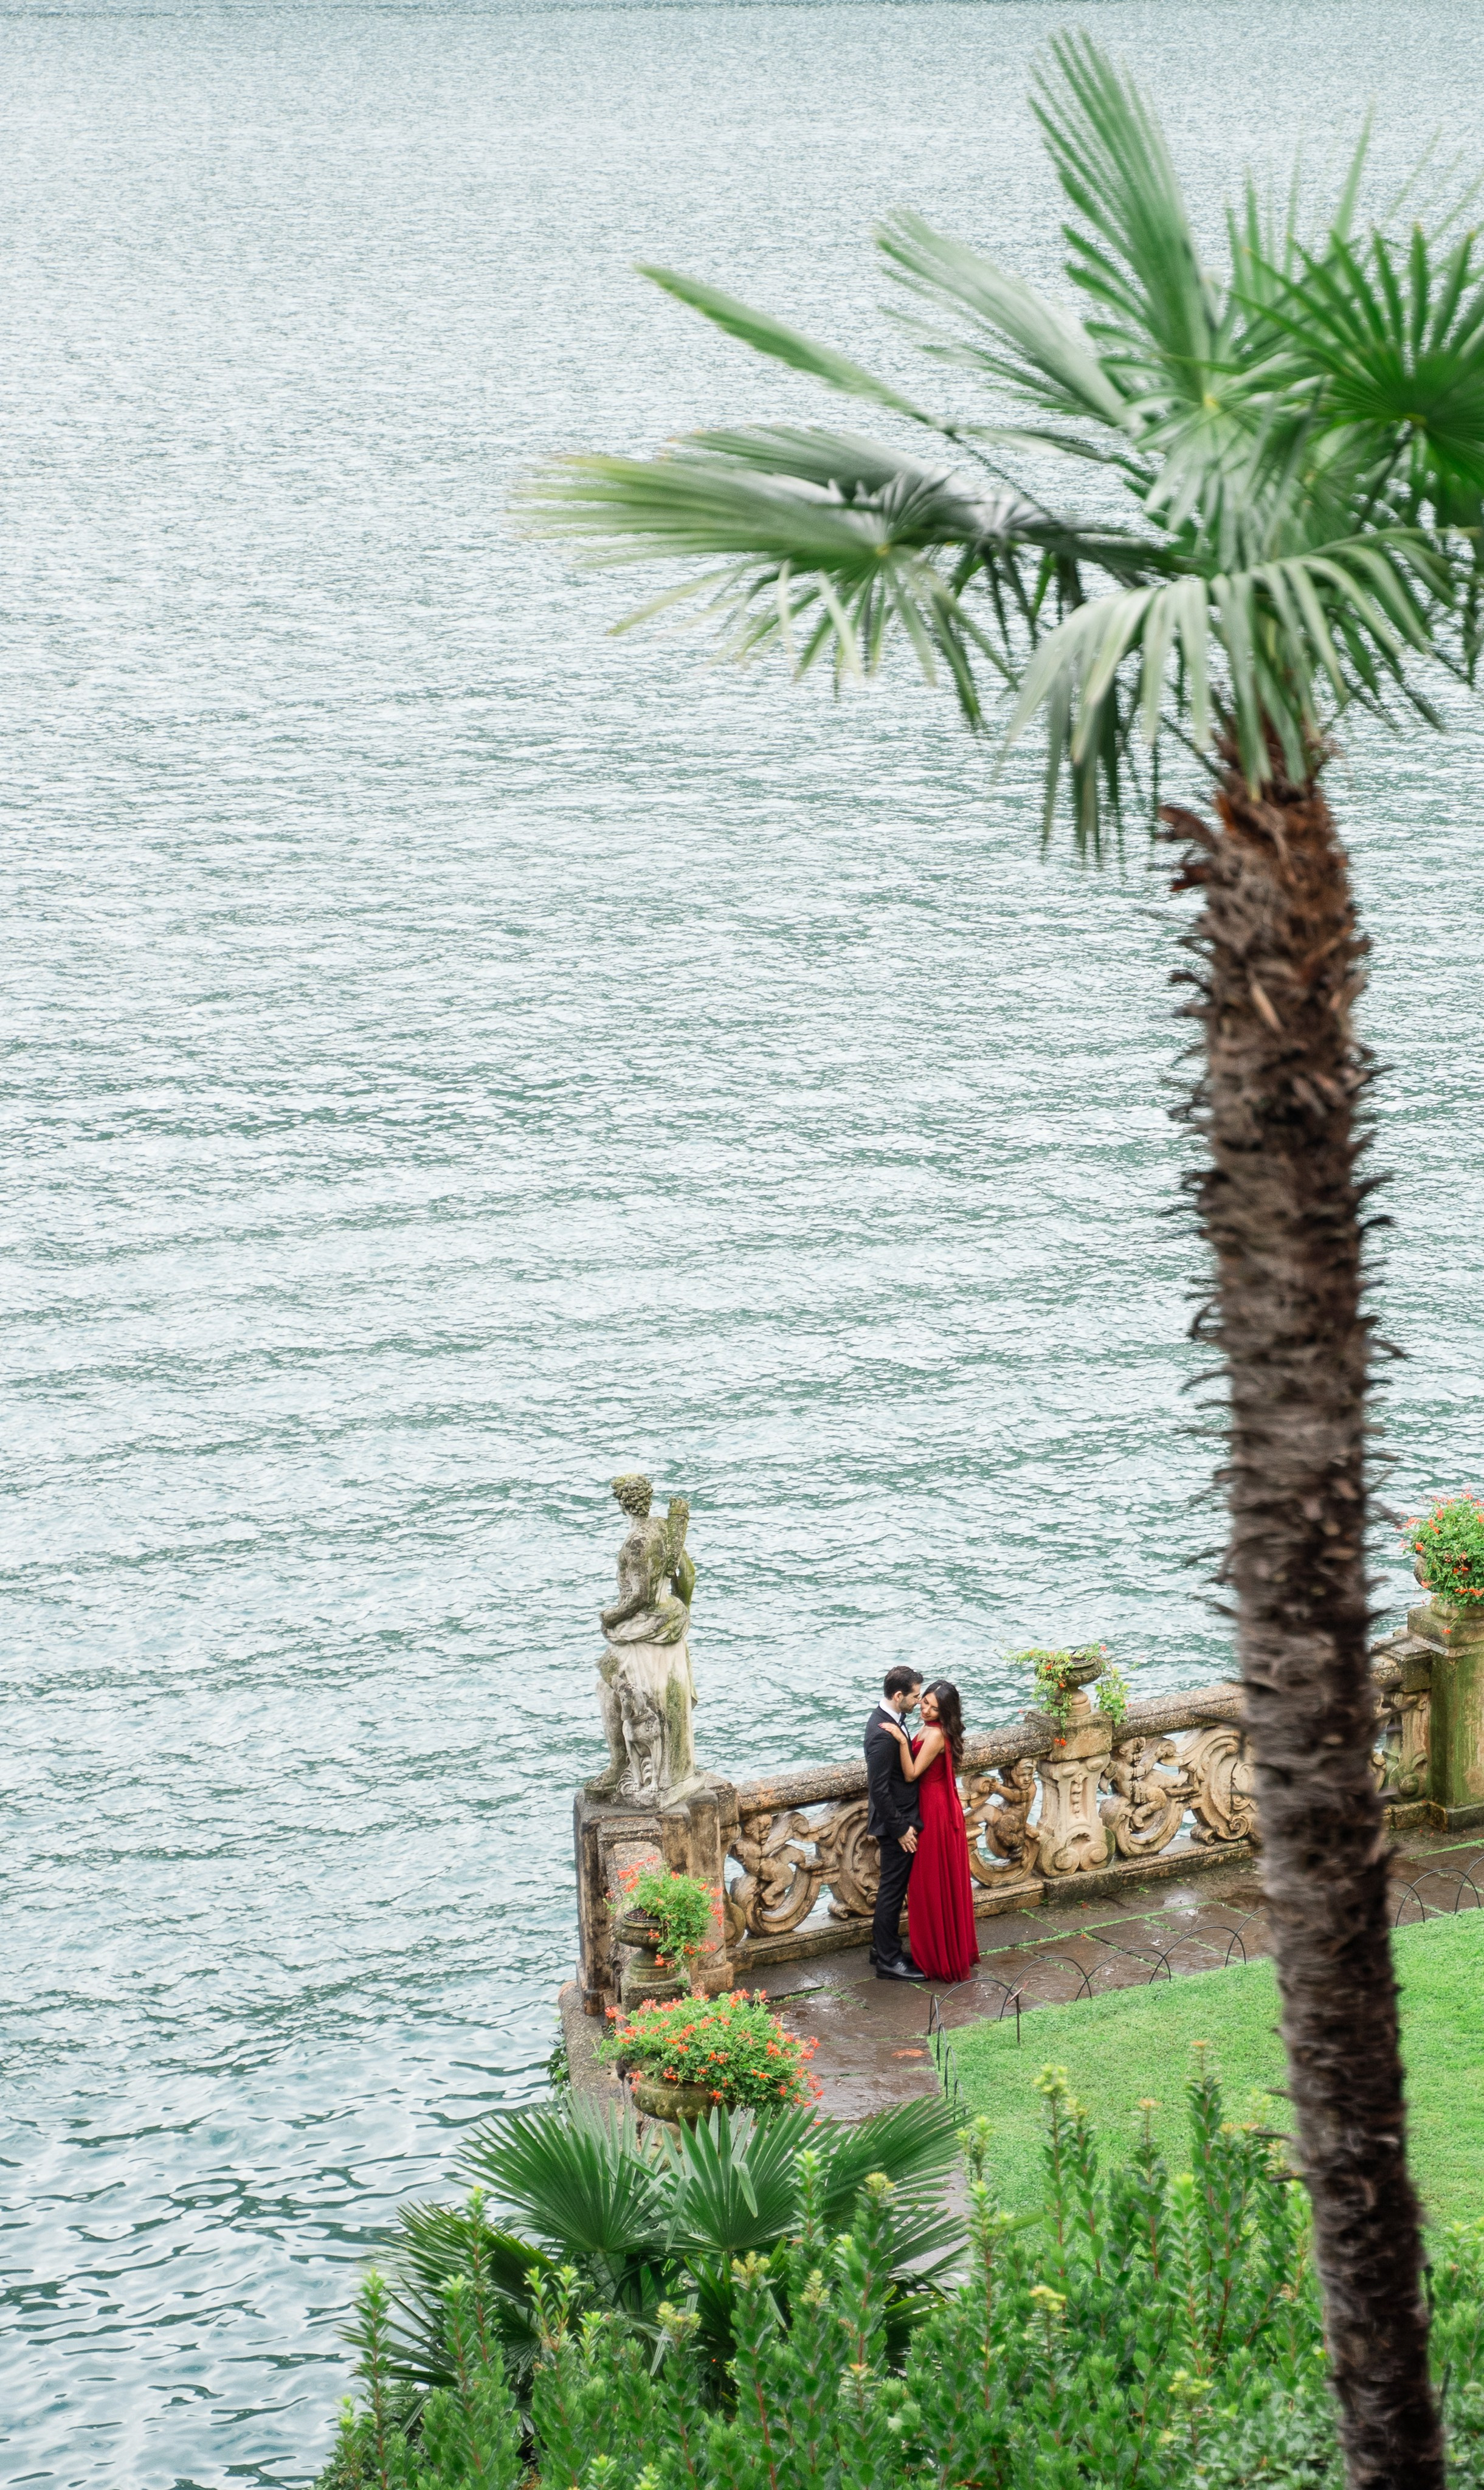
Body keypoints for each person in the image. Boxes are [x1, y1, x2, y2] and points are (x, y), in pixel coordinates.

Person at [882, 1680, 981, 1984]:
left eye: (934, 1708)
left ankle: (939, 1957)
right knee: (929, 1882)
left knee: (930, 1882)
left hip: (934, 1809)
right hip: (929, 1803)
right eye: (924, 1702)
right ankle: (938, 1949)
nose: (925, 1710)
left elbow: (912, 1773)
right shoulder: (929, 1727)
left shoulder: (937, 1733)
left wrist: (900, 1741)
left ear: (945, 1712)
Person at [865, 1666, 926, 1982]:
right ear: (899, 1695)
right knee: (892, 1891)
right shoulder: (882, 1734)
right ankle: (888, 1960)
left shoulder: (887, 1722)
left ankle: (883, 1948)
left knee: (893, 1889)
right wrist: (901, 1828)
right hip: (896, 1825)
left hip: (898, 1820)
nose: (918, 1702)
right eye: (916, 1696)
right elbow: (879, 1788)